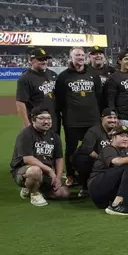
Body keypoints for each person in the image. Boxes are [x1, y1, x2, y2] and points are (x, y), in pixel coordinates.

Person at [55, 46, 102, 186]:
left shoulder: (93, 74)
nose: (80, 58)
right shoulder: (64, 76)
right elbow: (59, 99)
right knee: (71, 149)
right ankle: (70, 175)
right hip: (73, 121)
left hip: (92, 119)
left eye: (82, 55)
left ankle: (94, 172)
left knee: (95, 147)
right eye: (77, 55)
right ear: (71, 57)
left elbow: (98, 95)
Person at [10, 107, 69, 207]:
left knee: (64, 193)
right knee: (35, 171)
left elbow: (59, 158)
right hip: (24, 170)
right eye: (41, 118)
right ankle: (34, 193)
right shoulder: (26, 134)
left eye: (49, 118)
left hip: (45, 173)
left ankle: (33, 187)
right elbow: (28, 159)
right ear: (33, 119)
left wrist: (58, 178)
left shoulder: (54, 136)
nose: (46, 122)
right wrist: (50, 171)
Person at [72, 108, 119, 197]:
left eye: (115, 118)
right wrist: (102, 160)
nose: (113, 120)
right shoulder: (94, 131)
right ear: (102, 119)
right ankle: (85, 187)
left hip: (110, 160)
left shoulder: (118, 131)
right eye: (109, 118)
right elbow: (87, 149)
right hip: (94, 160)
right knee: (82, 159)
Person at [16, 48, 59, 132]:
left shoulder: (52, 74)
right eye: (40, 59)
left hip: (53, 119)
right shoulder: (25, 78)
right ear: (31, 61)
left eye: (46, 59)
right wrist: (26, 123)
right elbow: (20, 102)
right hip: (37, 121)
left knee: (54, 143)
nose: (44, 61)